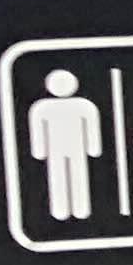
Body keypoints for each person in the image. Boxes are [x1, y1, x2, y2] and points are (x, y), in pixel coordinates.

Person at [25, 68, 101, 222]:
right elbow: (38, 130)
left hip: (76, 147)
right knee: (58, 176)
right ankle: (61, 209)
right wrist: (39, 150)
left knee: (78, 175)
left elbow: (92, 128)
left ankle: (80, 208)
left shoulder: (84, 106)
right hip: (56, 149)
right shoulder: (41, 108)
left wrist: (94, 147)